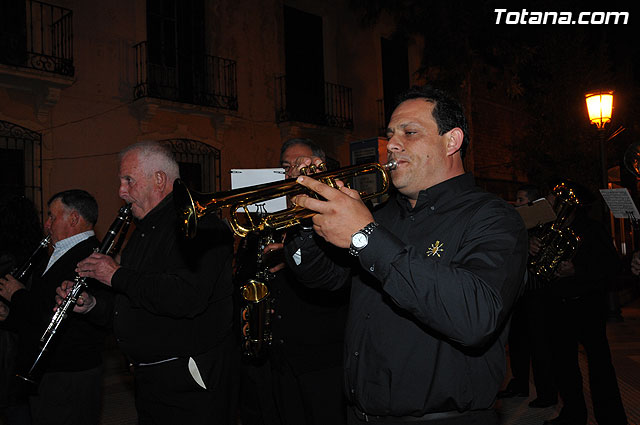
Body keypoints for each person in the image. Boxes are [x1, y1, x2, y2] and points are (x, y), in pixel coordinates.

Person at [282, 85, 529, 424]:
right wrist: (311, 220)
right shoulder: (381, 216)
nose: (392, 145)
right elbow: (322, 278)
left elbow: (476, 316)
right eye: (391, 135)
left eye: (410, 133)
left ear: (452, 141)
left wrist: (366, 237)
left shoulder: (493, 217)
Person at [56, 141, 235, 425]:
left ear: (160, 179)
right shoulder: (143, 231)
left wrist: (115, 274)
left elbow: (186, 297)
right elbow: (131, 301)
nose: (121, 192)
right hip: (150, 379)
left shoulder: (199, 225)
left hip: (186, 382)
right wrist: (91, 306)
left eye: (129, 180)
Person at [236, 138, 348, 425]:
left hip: (321, 356)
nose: (292, 172)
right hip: (278, 355)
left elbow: (336, 272)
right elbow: (245, 272)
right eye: (287, 166)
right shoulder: (268, 217)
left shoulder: (335, 215)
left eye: (302, 165)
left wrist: (290, 257)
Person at [0, 190, 107, 425]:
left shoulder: (92, 256)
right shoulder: (56, 253)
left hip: (69, 374)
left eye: (52, 216)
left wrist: (16, 294)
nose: (46, 224)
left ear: (74, 218)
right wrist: (8, 315)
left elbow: (55, 312)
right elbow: (35, 313)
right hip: (47, 372)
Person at [531, 182, 628, 425]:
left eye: (555, 199)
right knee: (563, 366)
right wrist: (529, 248)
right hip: (556, 305)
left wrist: (577, 270)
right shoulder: (544, 229)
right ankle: (573, 414)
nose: (550, 202)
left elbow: (612, 269)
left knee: (600, 366)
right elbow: (536, 269)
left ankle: (612, 418)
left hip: (586, 305)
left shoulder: (593, 230)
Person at [498, 184, 557, 408]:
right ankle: (519, 383)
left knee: (539, 345)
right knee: (517, 343)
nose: (517, 203)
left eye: (522, 200)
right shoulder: (515, 225)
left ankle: (547, 393)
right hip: (518, 292)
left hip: (536, 293)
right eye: (517, 199)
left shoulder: (543, 227)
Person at [0, 194, 44, 425]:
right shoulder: (37, 253)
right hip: (23, 340)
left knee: (14, 407)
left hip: (9, 342)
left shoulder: (8, 259)